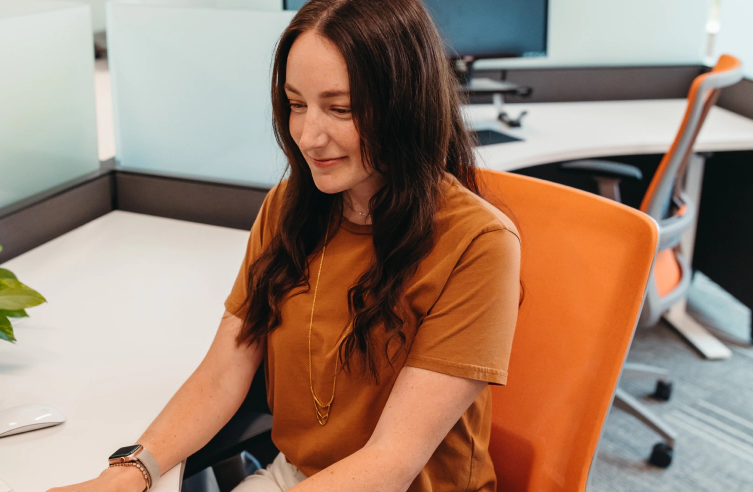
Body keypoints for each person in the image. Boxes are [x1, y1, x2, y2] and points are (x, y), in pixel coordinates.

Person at [49, 0, 520, 490]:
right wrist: (129, 472)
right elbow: (223, 372)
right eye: (297, 104)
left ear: (406, 105)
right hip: (296, 475)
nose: (308, 136)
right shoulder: (292, 207)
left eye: (340, 109)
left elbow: (392, 461)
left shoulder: (478, 244)